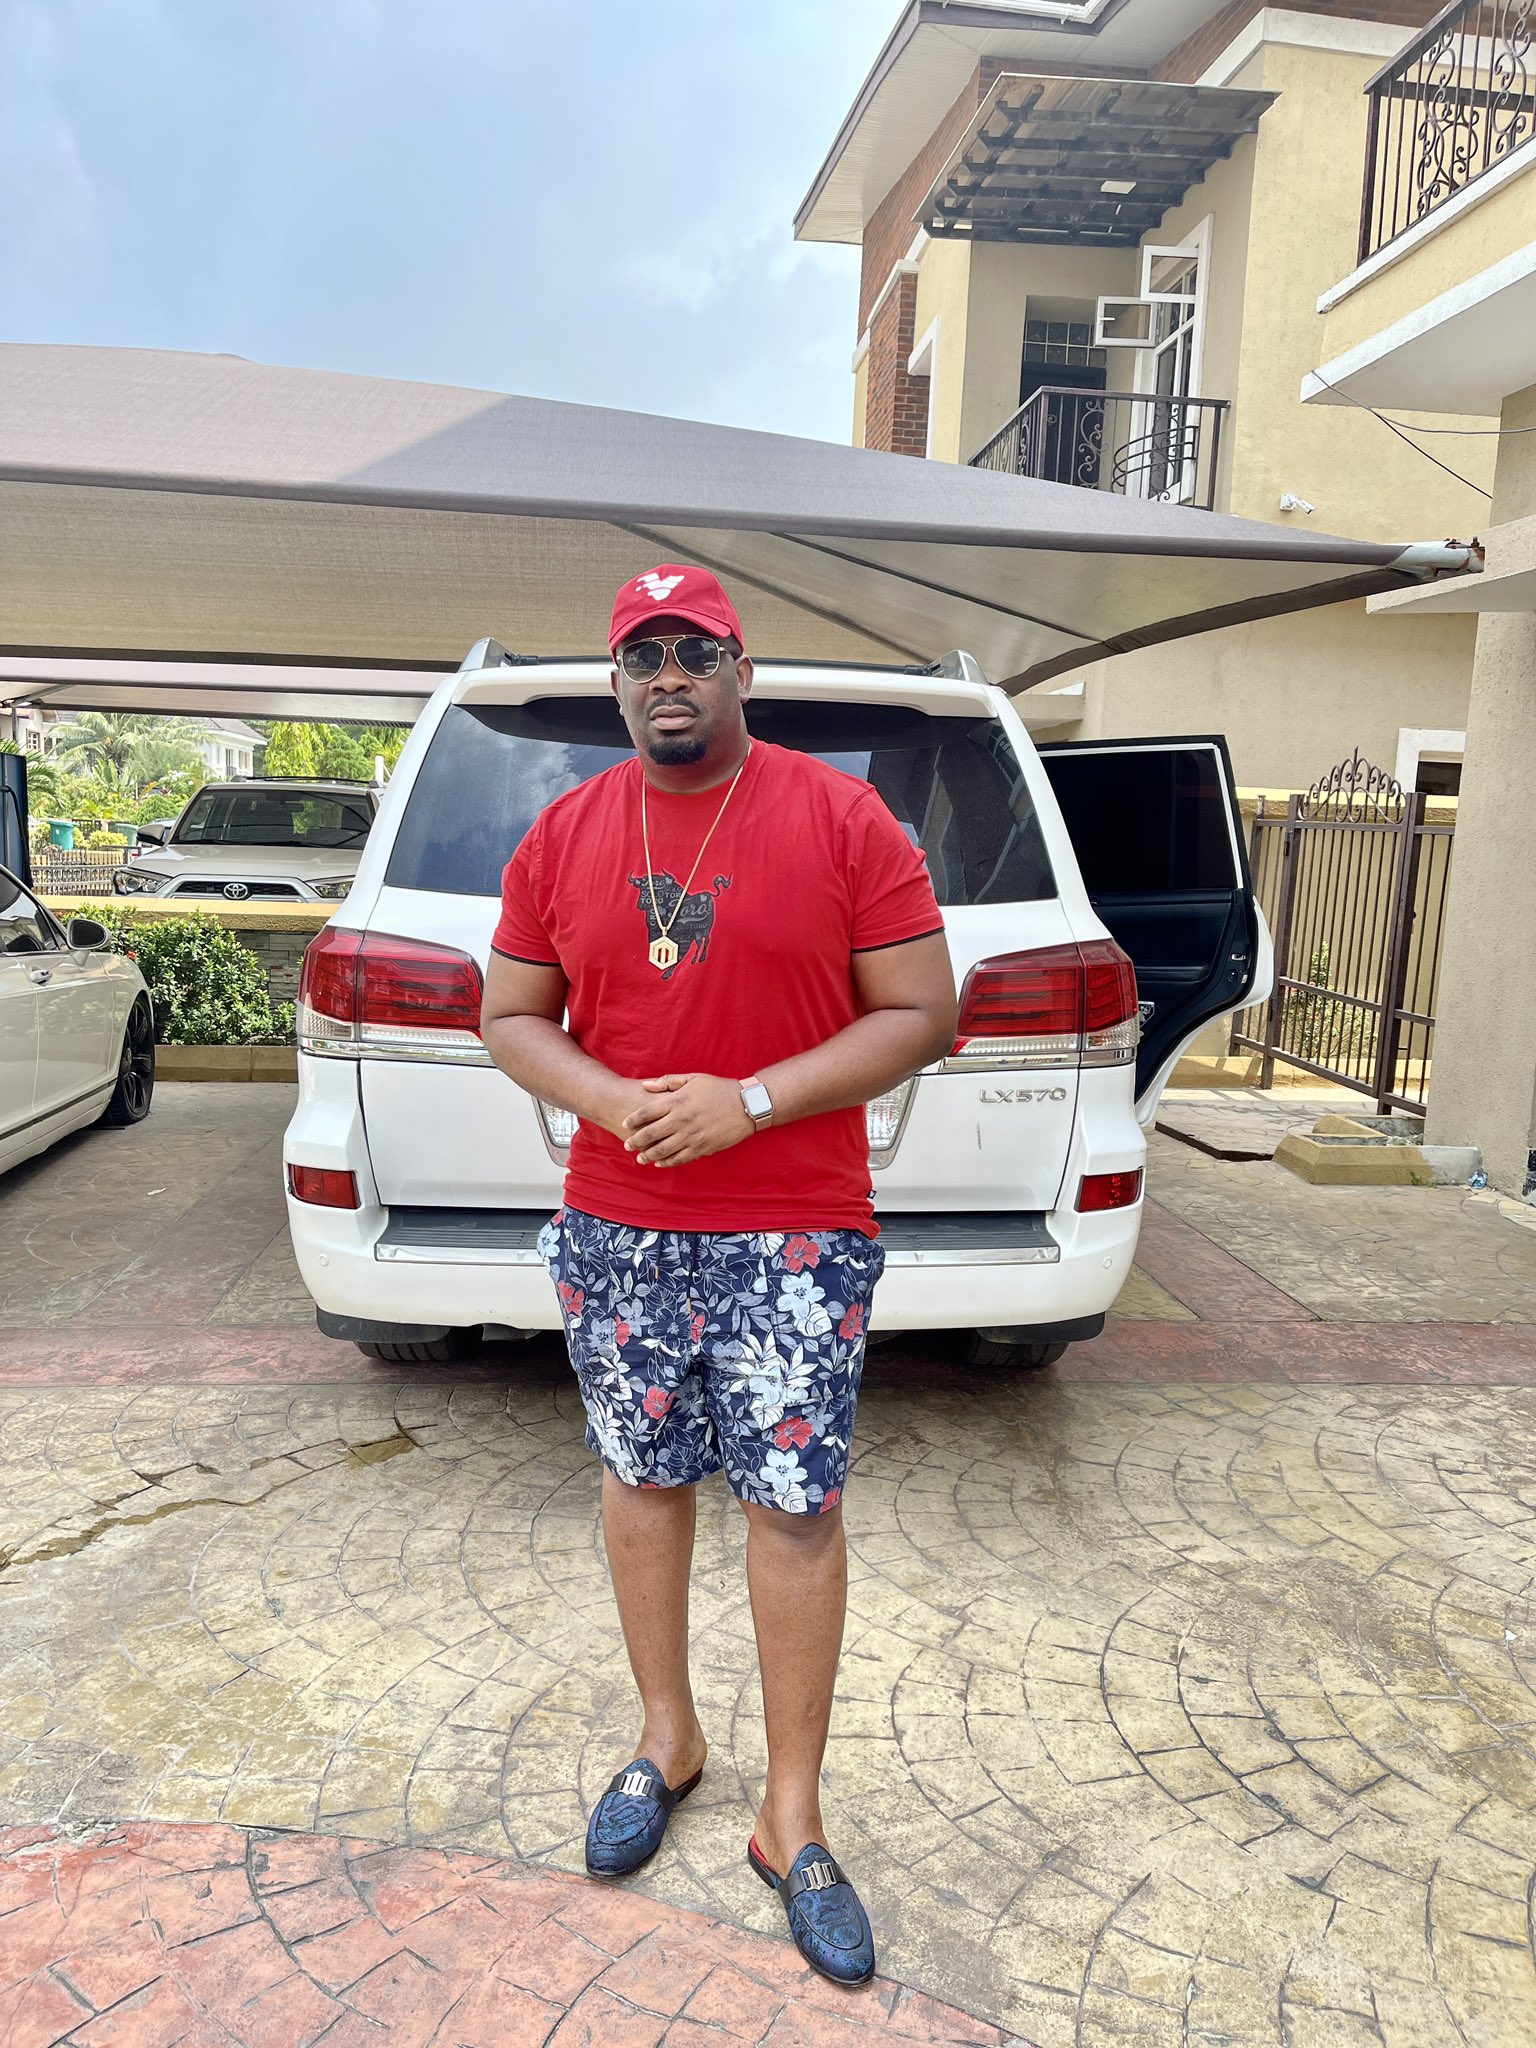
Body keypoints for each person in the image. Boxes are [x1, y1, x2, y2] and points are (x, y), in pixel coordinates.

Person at [480, 565, 956, 1985]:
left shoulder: (841, 816)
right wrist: (614, 1101)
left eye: (694, 650)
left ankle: (789, 1816)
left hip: (794, 1229)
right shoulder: (566, 832)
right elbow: (510, 1012)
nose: (668, 675)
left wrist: (747, 1102)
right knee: (642, 1480)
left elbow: (923, 1011)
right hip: (619, 1225)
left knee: (795, 1511)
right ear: (617, 683)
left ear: (742, 669)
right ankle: (667, 1739)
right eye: (642, 656)